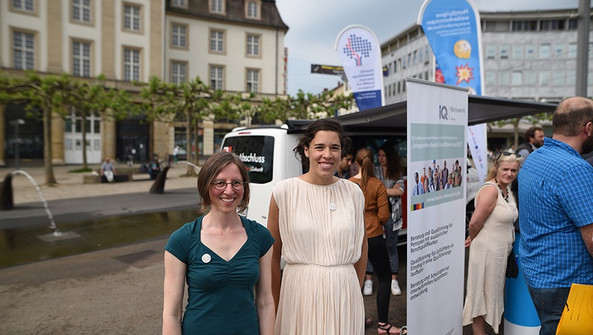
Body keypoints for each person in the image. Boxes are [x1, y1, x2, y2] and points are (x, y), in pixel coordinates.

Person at [268, 118, 368, 334]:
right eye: (319, 147)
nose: (327, 154)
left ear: (341, 153)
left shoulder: (354, 193)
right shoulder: (283, 192)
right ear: (306, 150)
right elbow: (272, 256)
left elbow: (362, 248)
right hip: (298, 297)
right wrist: (275, 306)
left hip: (344, 297)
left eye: (334, 148)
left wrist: (352, 289)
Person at [162, 151, 275, 335]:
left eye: (236, 183)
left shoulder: (260, 237)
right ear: (206, 186)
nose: (229, 191)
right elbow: (171, 314)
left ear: (244, 187)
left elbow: (265, 302)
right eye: (220, 183)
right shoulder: (182, 240)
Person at [518, 96, 593, 335]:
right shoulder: (575, 168)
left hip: (538, 273)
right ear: (588, 128)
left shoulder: (534, 158)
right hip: (566, 282)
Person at [463, 150, 521, 335]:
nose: (509, 174)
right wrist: (473, 237)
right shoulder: (490, 190)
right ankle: (479, 332)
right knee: (480, 293)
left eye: (513, 170)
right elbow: (474, 222)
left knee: (492, 292)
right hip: (486, 251)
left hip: (500, 252)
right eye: (505, 169)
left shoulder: (506, 189)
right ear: (496, 168)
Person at [350, 147, 404, 334]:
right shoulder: (377, 184)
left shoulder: (346, 184)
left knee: (352, 280)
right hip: (373, 236)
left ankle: (355, 321)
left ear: (355, 164)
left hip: (351, 238)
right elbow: (384, 216)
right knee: (385, 278)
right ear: (372, 163)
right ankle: (383, 325)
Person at [375, 144, 405, 296]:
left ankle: (394, 280)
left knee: (392, 246)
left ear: (390, 157)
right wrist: (388, 191)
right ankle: (374, 278)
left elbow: (399, 191)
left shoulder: (396, 172)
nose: (380, 158)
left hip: (393, 215)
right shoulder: (375, 171)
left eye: (384, 155)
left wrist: (381, 191)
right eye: (379, 155)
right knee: (374, 246)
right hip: (377, 214)